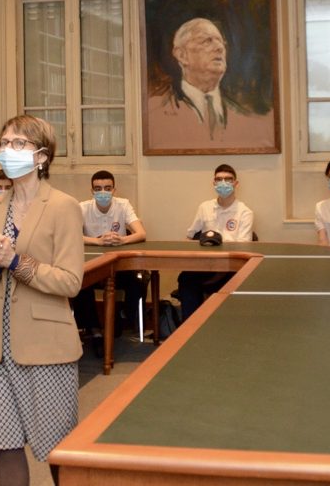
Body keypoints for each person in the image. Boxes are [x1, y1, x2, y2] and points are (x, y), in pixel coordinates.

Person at [0, 114, 84, 486]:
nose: (8, 150)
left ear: (42, 157)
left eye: (19, 143)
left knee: (57, 447)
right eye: (3, 143)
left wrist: (15, 261)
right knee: (6, 444)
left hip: (46, 345)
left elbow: (70, 281)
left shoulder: (64, 206)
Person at [144, 18, 276, 149]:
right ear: (182, 55)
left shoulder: (248, 118)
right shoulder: (154, 113)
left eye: (222, 42)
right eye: (207, 41)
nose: (219, 48)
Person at [72, 171, 147, 354]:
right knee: (78, 284)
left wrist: (122, 240)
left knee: (138, 282)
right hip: (93, 266)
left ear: (114, 190)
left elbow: (141, 233)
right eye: (98, 189)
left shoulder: (123, 205)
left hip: (118, 267)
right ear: (92, 190)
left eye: (107, 188)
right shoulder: (82, 207)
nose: (103, 192)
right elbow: (70, 235)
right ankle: (94, 330)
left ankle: (123, 318)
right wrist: (97, 241)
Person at [175, 164, 254, 320]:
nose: (223, 183)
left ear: (236, 183)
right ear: (214, 183)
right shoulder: (205, 207)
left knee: (233, 283)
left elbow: (244, 247)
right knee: (186, 278)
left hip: (230, 269)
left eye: (228, 179)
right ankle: (190, 327)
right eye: (219, 179)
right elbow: (189, 237)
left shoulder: (245, 212)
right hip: (205, 265)